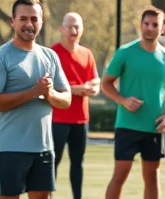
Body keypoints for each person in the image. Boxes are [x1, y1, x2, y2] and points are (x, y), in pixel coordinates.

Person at [0, 0, 72, 198]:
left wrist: (49, 94)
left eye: (34, 19)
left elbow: (66, 100)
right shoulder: (0, 57)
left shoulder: (50, 56)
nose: (29, 24)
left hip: (44, 147)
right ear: (12, 22)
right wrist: (32, 92)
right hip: (11, 148)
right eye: (23, 19)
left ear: (41, 22)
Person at [101, 6, 165, 199]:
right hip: (127, 125)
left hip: (154, 127)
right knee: (120, 175)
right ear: (141, 25)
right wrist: (123, 101)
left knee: (152, 177)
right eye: (146, 24)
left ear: (163, 28)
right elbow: (106, 84)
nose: (150, 28)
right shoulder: (125, 52)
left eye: (155, 25)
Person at [49, 12, 99, 199]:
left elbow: (95, 80)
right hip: (58, 118)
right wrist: (74, 89)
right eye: (70, 26)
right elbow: (47, 85)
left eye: (77, 26)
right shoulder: (52, 53)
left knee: (78, 163)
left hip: (81, 119)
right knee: (53, 162)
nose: (73, 30)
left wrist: (93, 87)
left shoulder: (87, 54)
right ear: (61, 29)